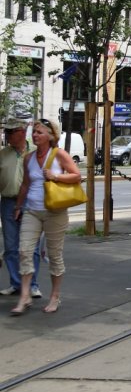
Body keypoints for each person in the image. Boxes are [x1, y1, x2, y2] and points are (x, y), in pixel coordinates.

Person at [11, 118, 80, 316]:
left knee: (54, 255)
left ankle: (55, 296)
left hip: (54, 212)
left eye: (39, 132)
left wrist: (56, 176)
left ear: (50, 136)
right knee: (24, 251)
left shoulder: (59, 155)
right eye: (34, 132)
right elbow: (25, 184)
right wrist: (18, 206)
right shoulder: (28, 157)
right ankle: (25, 296)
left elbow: (76, 175)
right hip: (31, 210)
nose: (35, 135)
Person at [0, 119, 41, 299]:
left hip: (31, 203)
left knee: (31, 247)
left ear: (22, 133)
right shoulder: (3, 154)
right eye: (6, 133)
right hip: (8, 202)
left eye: (11, 132)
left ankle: (32, 285)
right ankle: (16, 283)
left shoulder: (35, 153)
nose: (7, 136)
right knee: (11, 247)